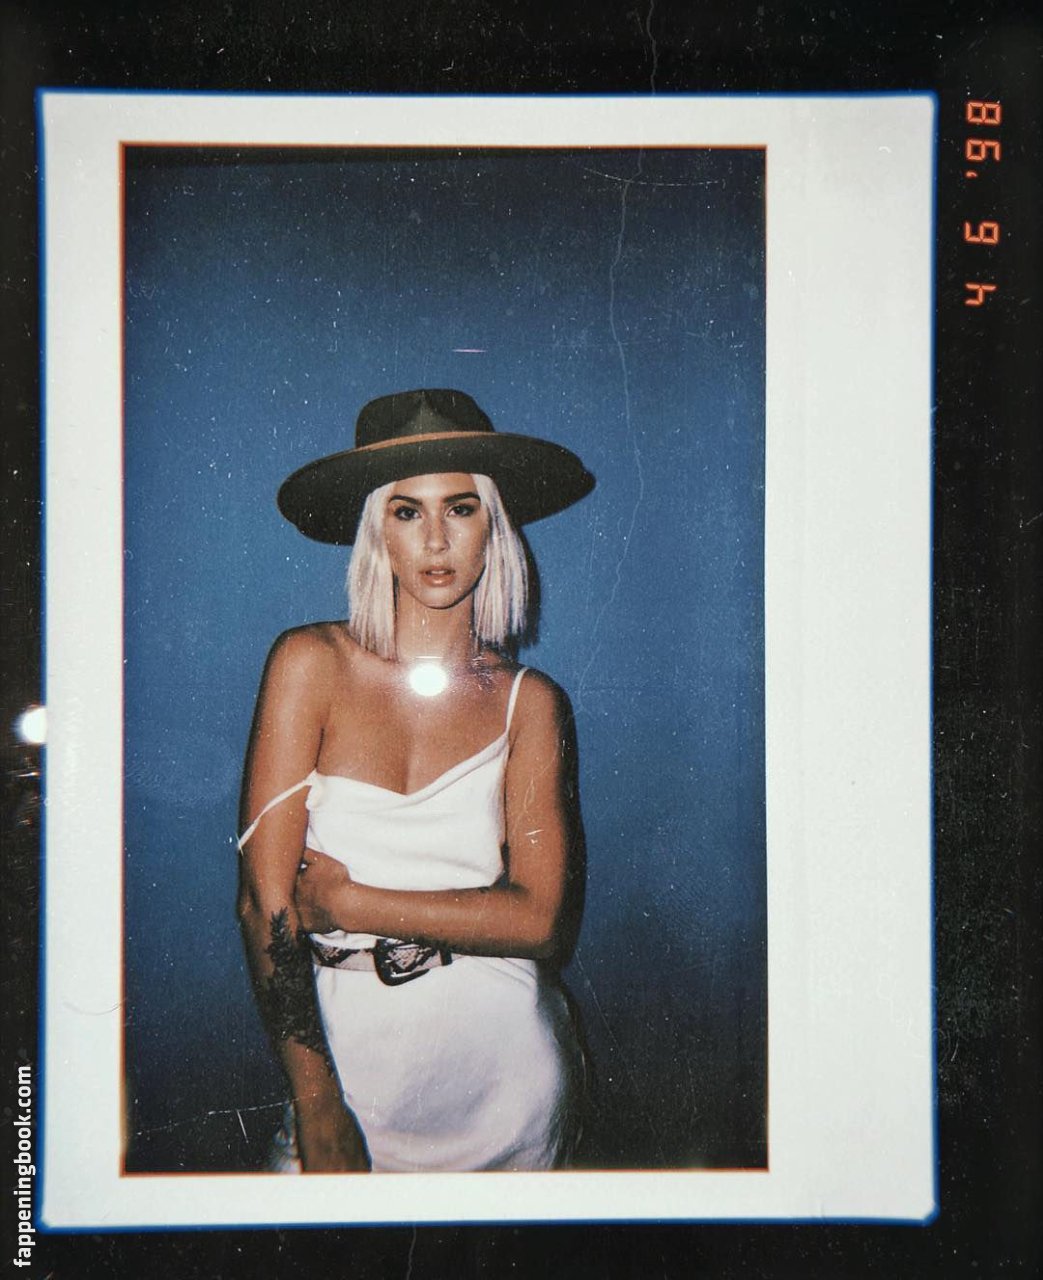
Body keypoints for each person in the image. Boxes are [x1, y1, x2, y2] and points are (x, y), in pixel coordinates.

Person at [236, 388, 595, 1173]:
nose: (435, 538)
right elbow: (263, 904)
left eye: (460, 508)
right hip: (349, 1069)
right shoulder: (309, 663)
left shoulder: (529, 702)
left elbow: (541, 923)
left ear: (493, 526)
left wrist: (350, 903)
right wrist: (315, 1102)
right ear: (377, 531)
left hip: (508, 1077)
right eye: (406, 512)